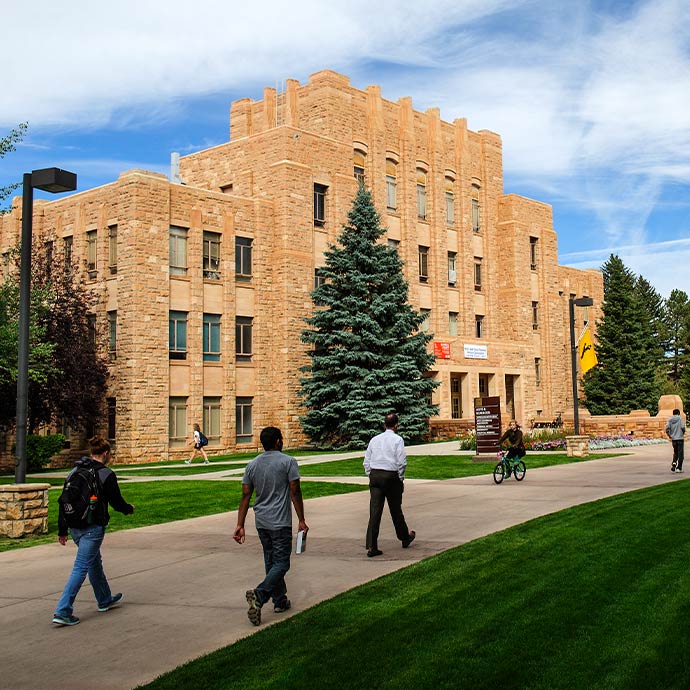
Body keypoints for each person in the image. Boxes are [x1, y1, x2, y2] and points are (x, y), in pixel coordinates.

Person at [52, 436, 135, 626]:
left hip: (74, 526)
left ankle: (104, 599)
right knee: (82, 566)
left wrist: (62, 529)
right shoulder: (106, 474)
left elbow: (63, 500)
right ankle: (63, 610)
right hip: (92, 527)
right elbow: (116, 502)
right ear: (105, 453)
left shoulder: (75, 470)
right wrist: (128, 509)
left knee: (93, 561)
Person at [234, 426, 308, 626]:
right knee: (282, 563)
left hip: (262, 522)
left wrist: (240, 524)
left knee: (270, 560)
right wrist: (301, 519)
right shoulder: (288, 462)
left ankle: (280, 600)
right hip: (280, 522)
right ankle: (260, 594)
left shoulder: (252, 465)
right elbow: (295, 491)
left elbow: (246, 495)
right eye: (281, 439)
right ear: (277, 442)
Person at [363, 412, 416, 558]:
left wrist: (371, 474)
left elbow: (366, 461)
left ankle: (372, 546)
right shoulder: (398, 440)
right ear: (396, 425)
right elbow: (401, 462)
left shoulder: (374, 439)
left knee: (375, 511)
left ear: (384, 424)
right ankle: (404, 537)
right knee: (395, 509)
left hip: (375, 476)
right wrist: (400, 477)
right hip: (391, 476)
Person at [666, 408, 686, 473]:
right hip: (680, 438)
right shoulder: (680, 418)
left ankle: (674, 463)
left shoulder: (670, 419)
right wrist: (683, 432)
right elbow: (682, 427)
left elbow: (667, 428)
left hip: (674, 439)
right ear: (678, 413)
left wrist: (670, 435)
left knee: (675, 452)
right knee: (681, 454)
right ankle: (679, 468)